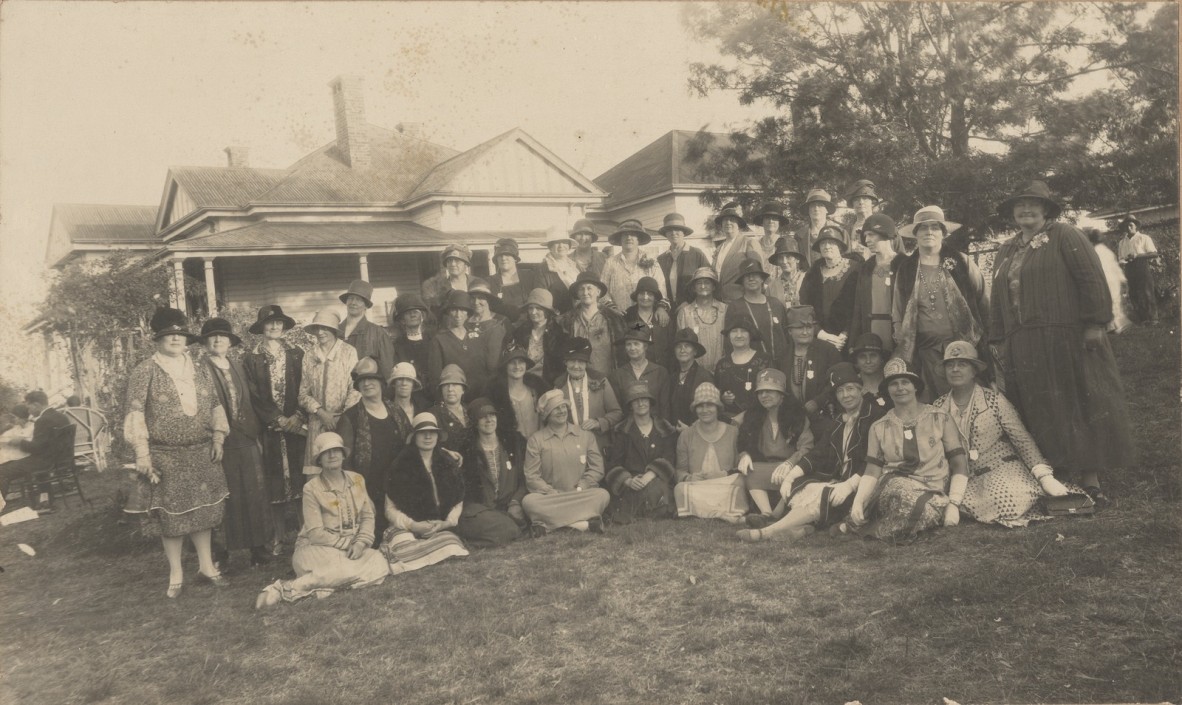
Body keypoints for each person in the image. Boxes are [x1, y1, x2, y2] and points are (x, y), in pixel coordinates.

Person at [990, 181, 1133, 507]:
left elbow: (1091, 278)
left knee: (1075, 403)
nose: (1025, 210)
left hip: (1065, 338)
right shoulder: (1006, 249)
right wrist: (997, 338)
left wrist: (1095, 323)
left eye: (1033, 204)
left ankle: (1090, 479)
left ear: (1046, 209)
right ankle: (1057, 475)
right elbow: (997, 300)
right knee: (1039, 407)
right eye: (1019, 205)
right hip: (1022, 344)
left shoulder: (1065, 236)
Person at [123, 308, 230, 598]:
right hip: (164, 455)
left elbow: (215, 405)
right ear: (157, 340)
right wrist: (142, 455)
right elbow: (135, 413)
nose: (175, 339)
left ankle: (207, 567)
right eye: (169, 335)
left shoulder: (198, 368)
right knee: (171, 518)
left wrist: (218, 437)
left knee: (203, 512)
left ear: (187, 339)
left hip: (201, 451)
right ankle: (176, 574)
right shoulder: (145, 370)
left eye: (180, 334)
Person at [736, 362, 885, 543]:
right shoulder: (838, 421)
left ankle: (766, 532)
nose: (846, 395)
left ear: (861, 390)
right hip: (840, 481)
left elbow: (875, 461)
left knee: (821, 495)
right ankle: (802, 528)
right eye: (840, 391)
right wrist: (792, 476)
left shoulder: (876, 417)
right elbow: (818, 453)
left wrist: (850, 485)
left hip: (865, 484)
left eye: (850, 389)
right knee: (802, 486)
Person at [931, 342, 1071, 526]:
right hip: (964, 476)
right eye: (950, 365)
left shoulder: (994, 400)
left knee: (1006, 500)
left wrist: (1044, 476)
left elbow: (1021, 439)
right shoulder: (938, 407)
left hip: (1001, 467)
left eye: (962, 364)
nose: (955, 369)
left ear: (974, 371)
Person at [253, 432, 388, 608]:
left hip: (353, 548)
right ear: (319, 460)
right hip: (316, 549)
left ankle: (324, 587)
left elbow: (368, 516)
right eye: (326, 452)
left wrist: (361, 543)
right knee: (344, 567)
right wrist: (349, 544)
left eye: (336, 450)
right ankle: (284, 588)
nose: (332, 455)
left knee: (380, 563)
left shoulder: (357, 479)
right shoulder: (311, 488)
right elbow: (316, 534)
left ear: (343, 454)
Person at [841, 359, 969, 541]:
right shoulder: (879, 427)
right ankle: (878, 522)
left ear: (915, 386)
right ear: (887, 390)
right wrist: (858, 502)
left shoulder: (940, 418)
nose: (900, 388)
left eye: (905, 382)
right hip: (892, 488)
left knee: (924, 511)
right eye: (894, 384)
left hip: (934, 493)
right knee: (900, 492)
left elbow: (959, 463)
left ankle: (871, 527)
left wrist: (954, 503)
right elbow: (872, 470)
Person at [893, 205, 989, 401]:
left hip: (963, 349)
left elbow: (983, 301)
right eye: (923, 228)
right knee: (933, 403)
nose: (929, 232)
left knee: (967, 399)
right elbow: (898, 310)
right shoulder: (906, 269)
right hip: (926, 352)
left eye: (935, 227)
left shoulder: (961, 262)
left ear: (943, 233)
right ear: (915, 234)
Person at [199, 318, 271, 570]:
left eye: (222, 336)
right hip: (218, 441)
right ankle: (220, 555)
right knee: (223, 496)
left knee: (254, 492)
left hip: (246, 437)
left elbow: (251, 401)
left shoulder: (238, 365)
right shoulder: (199, 369)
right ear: (206, 342)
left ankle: (258, 550)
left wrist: (256, 434)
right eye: (212, 336)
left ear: (230, 341)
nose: (218, 340)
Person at [243, 304, 305, 556]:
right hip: (270, 429)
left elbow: (306, 385)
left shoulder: (297, 353)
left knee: (301, 479)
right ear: (261, 328)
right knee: (275, 484)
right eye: (269, 323)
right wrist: (277, 419)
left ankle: (305, 533)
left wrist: (297, 416)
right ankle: (278, 537)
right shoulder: (251, 357)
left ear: (284, 326)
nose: (274, 327)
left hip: (297, 425)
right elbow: (253, 395)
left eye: (278, 323)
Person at [381, 413, 470, 573]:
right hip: (408, 527)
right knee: (401, 542)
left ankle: (420, 554)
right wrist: (413, 525)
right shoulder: (400, 465)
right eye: (422, 433)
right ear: (414, 437)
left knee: (451, 544)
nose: (428, 436)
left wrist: (447, 523)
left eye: (432, 432)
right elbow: (390, 509)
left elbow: (458, 499)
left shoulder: (447, 462)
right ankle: (423, 552)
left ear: (437, 436)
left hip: (438, 525)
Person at [522, 390, 611, 535]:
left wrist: (583, 485)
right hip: (551, 498)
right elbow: (531, 476)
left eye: (563, 407)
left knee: (602, 495)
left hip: (580, 494)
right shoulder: (536, 440)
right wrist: (549, 491)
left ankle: (550, 526)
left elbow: (597, 469)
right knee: (529, 502)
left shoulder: (585, 436)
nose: (562, 411)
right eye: (556, 408)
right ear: (547, 414)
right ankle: (581, 524)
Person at [337, 357, 407, 542]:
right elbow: (345, 463)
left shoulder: (396, 411)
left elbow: (412, 445)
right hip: (368, 491)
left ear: (381, 383)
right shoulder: (350, 417)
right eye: (362, 381)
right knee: (376, 539)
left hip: (398, 488)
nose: (367, 383)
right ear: (358, 387)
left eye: (372, 379)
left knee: (406, 534)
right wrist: (362, 495)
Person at [735, 368, 813, 522]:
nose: (764, 396)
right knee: (750, 471)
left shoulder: (797, 415)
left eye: (769, 391)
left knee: (799, 477)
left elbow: (807, 447)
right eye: (760, 392)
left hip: (791, 468)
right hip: (767, 467)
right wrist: (744, 454)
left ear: (782, 394)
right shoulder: (753, 414)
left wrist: (790, 463)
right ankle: (766, 514)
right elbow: (735, 431)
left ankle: (777, 514)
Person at [604, 382, 678, 523]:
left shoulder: (665, 428)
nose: (640, 403)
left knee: (656, 489)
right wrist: (628, 480)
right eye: (635, 400)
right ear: (630, 406)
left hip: (657, 479)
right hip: (633, 481)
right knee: (630, 499)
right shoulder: (622, 431)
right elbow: (613, 464)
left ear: (650, 402)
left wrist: (650, 475)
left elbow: (669, 458)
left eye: (644, 399)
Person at [457, 397, 527, 547]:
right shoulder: (466, 451)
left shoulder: (513, 444)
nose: (489, 420)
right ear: (475, 422)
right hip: (481, 511)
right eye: (482, 417)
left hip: (509, 506)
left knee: (516, 522)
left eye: (492, 415)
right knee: (509, 528)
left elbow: (524, 480)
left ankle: (486, 536)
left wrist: (515, 502)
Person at [673, 383, 746, 523]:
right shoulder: (686, 435)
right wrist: (690, 478)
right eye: (700, 406)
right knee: (679, 488)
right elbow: (680, 471)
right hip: (698, 486)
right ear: (695, 409)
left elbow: (741, 468)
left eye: (710, 405)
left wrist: (724, 474)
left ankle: (700, 513)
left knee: (741, 482)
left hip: (725, 483)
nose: (705, 410)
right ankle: (724, 514)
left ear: (718, 408)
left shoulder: (733, 432)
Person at [298, 309, 360, 466]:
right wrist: (321, 413)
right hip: (317, 422)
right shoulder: (309, 355)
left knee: (341, 467)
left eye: (325, 328)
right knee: (318, 471)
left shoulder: (348, 352)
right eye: (317, 328)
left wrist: (342, 418)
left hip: (342, 422)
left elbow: (355, 389)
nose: (320, 332)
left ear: (333, 330)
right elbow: (303, 394)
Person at [0, 391, 72, 511]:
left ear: (36, 405)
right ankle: (45, 499)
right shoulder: (61, 416)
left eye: (29, 407)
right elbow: (43, 445)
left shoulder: (43, 420)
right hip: (61, 458)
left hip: (46, 461)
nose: (29, 411)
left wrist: (19, 442)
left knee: (2, 470)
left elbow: (36, 448)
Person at [847, 214, 905, 356]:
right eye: (865, 236)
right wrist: (853, 341)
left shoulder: (905, 264)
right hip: (871, 331)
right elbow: (858, 307)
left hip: (899, 332)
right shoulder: (866, 267)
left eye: (871, 235)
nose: (867, 240)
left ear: (885, 234)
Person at [555, 337, 623, 457]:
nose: (576, 366)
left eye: (581, 361)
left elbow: (617, 413)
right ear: (565, 362)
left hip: (598, 445)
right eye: (572, 360)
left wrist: (599, 423)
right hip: (569, 448)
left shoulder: (600, 381)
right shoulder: (558, 386)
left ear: (587, 363)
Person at [427, 290, 496, 399]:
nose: (458, 315)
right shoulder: (439, 340)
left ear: (468, 313)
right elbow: (435, 379)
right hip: (454, 399)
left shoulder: (477, 337)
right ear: (449, 312)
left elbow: (484, 372)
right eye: (454, 310)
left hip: (479, 398)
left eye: (462, 310)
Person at [558, 271, 628, 377]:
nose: (585, 292)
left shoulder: (614, 319)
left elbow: (632, 332)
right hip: (577, 379)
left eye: (589, 288)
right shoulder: (565, 321)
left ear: (598, 292)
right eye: (581, 289)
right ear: (577, 293)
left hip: (606, 379)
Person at [799, 225, 858, 351]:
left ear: (840, 246)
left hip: (848, 338)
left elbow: (859, 306)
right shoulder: (813, 272)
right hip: (819, 337)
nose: (827, 247)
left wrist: (844, 335)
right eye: (823, 243)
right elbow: (805, 306)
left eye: (831, 242)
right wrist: (822, 335)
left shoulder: (855, 269)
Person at [601, 219, 670, 318]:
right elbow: (603, 291)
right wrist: (613, 309)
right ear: (620, 239)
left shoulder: (651, 260)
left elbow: (661, 288)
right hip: (619, 317)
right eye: (625, 235)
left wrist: (661, 308)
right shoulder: (611, 263)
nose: (629, 238)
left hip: (646, 317)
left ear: (639, 239)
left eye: (633, 235)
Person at [725, 259, 790, 361]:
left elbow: (787, 335)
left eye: (755, 274)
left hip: (780, 365)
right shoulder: (735, 307)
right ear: (742, 281)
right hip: (751, 365)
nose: (751, 278)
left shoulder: (775, 304)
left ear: (762, 279)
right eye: (747, 276)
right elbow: (729, 342)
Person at [779, 305, 841, 410]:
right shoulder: (782, 356)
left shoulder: (828, 351)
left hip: (823, 414)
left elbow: (838, 382)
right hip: (792, 416)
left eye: (809, 327)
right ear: (789, 331)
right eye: (799, 328)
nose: (805, 332)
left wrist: (818, 402)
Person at [487, 345, 549, 445]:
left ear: (526, 365)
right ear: (505, 366)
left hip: (540, 445)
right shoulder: (498, 395)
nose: (517, 366)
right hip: (514, 448)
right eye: (512, 363)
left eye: (521, 362)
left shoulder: (536, 390)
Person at [610, 326, 673, 423]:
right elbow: (617, 410)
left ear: (645, 346)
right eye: (628, 344)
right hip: (627, 430)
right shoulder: (618, 375)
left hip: (656, 429)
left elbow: (665, 408)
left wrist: (664, 431)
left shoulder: (660, 372)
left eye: (636, 344)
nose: (632, 348)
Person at [507, 288, 570, 386]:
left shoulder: (559, 334)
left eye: (538, 308)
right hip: (522, 383)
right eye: (530, 308)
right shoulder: (520, 332)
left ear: (547, 311)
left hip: (548, 384)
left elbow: (561, 367)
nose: (533, 312)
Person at [714, 314, 773, 417]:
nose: (739, 335)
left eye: (743, 331)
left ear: (751, 334)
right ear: (728, 335)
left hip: (760, 418)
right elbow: (717, 392)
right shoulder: (722, 364)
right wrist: (723, 397)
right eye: (734, 331)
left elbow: (773, 393)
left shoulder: (765, 360)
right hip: (730, 420)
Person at [338, 279, 395, 382]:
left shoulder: (378, 333)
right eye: (350, 298)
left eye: (359, 299)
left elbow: (387, 369)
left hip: (364, 391)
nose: (353, 303)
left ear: (366, 305)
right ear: (346, 302)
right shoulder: (335, 331)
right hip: (337, 391)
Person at [675, 267, 728, 371]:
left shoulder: (725, 310)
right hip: (694, 372)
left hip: (722, 370)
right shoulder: (685, 312)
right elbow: (680, 346)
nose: (703, 286)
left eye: (707, 282)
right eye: (699, 283)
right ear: (694, 288)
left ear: (713, 286)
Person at [1085, 227, 1133, 334]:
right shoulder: (1107, 251)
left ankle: (1116, 325)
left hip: (1105, 280)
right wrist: (1122, 279)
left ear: (1091, 241)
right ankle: (1114, 325)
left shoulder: (1093, 252)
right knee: (1115, 301)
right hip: (1113, 279)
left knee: (1108, 302)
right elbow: (1115, 266)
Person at [710, 202, 761, 301]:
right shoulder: (719, 248)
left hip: (740, 300)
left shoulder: (748, 243)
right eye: (725, 220)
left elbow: (757, 274)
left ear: (739, 224)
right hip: (719, 301)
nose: (728, 223)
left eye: (732, 220)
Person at [667, 328, 716, 430]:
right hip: (673, 434)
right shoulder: (672, 377)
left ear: (695, 351)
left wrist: (690, 429)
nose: (682, 350)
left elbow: (711, 411)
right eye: (679, 346)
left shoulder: (704, 377)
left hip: (698, 434)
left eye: (687, 346)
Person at [657, 213, 709, 307]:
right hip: (668, 310)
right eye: (669, 230)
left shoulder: (696, 254)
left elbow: (708, 281)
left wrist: (689, 301)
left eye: (677, 229)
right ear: (666, 234)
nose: (673, 233)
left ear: (683, 232)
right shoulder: (661, 259)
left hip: (694, 306)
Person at [390, 293, 434, 407]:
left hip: (433, 397)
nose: (413, 314)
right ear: (402, 320)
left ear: (422, 316)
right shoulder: (397, 346)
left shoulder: (434, 340)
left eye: (416, 311)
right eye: (408, 312)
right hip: (409, 399)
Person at [1117, 214, 1161, 325]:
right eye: (1126, 226)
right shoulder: (1122, 242)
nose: (1128, 228)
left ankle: (1153, 319)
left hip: (1142, 267)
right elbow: (1121, 258)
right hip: (1129, 269)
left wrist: (1137, 255)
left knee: (1147, 292)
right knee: (1134, 293)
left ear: (1136, 226)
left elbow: (1154, 253)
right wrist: (1122, 261)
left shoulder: (1144, 238)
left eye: (1131, 225)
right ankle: (1143, 319)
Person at [622, 276, 673, 366]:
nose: (645, 297)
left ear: (655, 297)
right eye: (642, 293)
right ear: (637, 296)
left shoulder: (663, 315)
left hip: (662, 369)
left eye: (649, 294)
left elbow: (671, 346)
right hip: (636, 369)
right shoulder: (628, 316)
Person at [533, 227, 583, 313]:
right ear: (550, 246)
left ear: (569, 245)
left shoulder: (576, 265)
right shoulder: (543, 269)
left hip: (580, 313)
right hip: (558, 316)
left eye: (564, 242)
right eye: (556, 242)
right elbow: (541, 298)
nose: (561, 246)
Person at [793, 189, 846, 265]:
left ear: (827, 210)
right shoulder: (799, 235)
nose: (816, 209)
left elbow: (847, 259)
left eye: (820, 205)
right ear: (808, 210)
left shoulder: (839, 232)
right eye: (813, 206)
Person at [428, 364, 473, 453]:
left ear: (463, 389)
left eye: (455, 384)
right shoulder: (433, 414)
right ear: (441, 390)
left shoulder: (471, 410)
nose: (450, 389)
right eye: (446, 385)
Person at [421, 244, 474, 315]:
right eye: (449, 261)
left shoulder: (476, 283)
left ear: (466, 264)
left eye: (457, 261)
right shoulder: (437, 286)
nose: (453, 264)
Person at [488, 237, 535, 313]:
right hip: (502, 323)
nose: (503, 258)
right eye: (500, 255)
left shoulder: (529, 276)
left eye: (507, 254)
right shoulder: (490, 282)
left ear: (515, 258)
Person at [467, 278, 510, 357]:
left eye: (481, 298)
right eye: (473, 298)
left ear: (488, 300)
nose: (476, 302)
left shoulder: (501, 321)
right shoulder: (465, 322)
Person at [849, 333, 890, 409]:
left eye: (873, 355)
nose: (868, 361)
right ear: (856, 361)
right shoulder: (850, 387)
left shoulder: (891, 384)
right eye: (862, 356)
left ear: (881, 359)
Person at [841, 179, 881, 258]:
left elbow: (899, 256)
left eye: (865, 198)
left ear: (872, 202)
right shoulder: (846, 230)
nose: (861, 202)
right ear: (852, 204)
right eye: (856, 199)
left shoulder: (884, 225)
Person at [749, 201, 791, 270]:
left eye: (774, 218)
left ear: (779, 222)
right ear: (762, 222)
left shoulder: (786, 244)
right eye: (767, 218)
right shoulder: (755, 245)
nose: (771, 221)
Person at [767, 237, 807, 308]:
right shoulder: (772, 287)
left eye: (788, 257)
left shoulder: (808, 280)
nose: (784, 261)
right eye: (780, 258)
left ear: (797, 259)